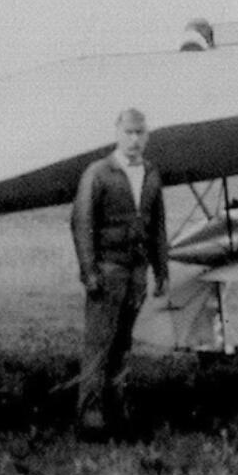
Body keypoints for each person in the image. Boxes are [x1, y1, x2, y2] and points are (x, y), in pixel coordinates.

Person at [70, 107, 170, 438]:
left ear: (148, 135)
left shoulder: (152, 173)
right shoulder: (98, 173)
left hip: (137, 272)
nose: (134, 139)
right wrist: (89, 272)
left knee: (123, 343)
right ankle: (90, 416)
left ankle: (117, 409)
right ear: (116, 133)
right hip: (108, 269)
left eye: (140, 133)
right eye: (128, 132)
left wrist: (162, 269)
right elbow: (81, 222)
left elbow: (157, 225)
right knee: (99, 343)